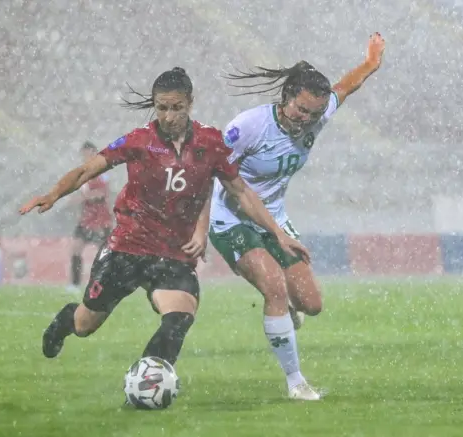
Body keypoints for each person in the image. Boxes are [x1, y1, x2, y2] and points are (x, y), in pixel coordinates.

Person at [18, 67, 310, 376]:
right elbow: (88, 169)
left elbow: (241, 192)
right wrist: (53, 194)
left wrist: (277, 233)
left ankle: (150, 378)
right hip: (127, 249)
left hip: (172, 254)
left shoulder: (211, 143)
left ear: (190, 103)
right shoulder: (139, 140)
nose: (168, 116)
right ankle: (65, 320)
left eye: (176, 108)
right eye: (162, 108)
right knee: (85, 324)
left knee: (180, 315)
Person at [208, 33, 386, 400]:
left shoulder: (317, 115)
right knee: (273, 286)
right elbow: (214, 176)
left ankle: (288, 311)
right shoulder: (248, 127)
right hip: (231, 218)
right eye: (301, 110)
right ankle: (296, 383)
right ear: (286, 98)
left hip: (273, 216)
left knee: (311, 304)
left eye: (314, 113)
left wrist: (370, 64)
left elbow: (343, 88)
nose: (306, 119)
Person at [66, 141, 114, 293]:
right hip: (86, 219)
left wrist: (84, 198)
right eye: (84, 154)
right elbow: (81, 194)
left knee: (104, 254)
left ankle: (105, 283)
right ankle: (74, 284)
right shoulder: (83, 173)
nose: (85, 156)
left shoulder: (103, 171)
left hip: (101, 220)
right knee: (75, 249)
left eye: (88, 153)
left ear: (94, 153)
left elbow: (102, 194)